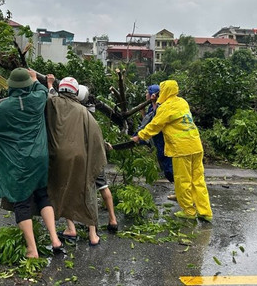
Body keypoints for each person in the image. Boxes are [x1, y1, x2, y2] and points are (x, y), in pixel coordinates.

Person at [0, 68, 62, 258]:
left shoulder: (5, 108)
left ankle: (32, 249)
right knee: (42, 195)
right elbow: (41, 90)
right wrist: (34, 78)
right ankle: (55, 239)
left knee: (21, 201)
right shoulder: (38, 99)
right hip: (40, 157)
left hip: (20, 161)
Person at [131, 80, 212, 222]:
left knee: (183, 181)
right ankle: (205, 212)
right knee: (198, 180)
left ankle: (189, 211)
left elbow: (155, 125)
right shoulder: (182, 102)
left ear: (165, 92)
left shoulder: (166, 107)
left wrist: (140, 136)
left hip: (182, 149)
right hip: (196, 145)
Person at [46, 76, 107, 246]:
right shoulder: (83, 111)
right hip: (81, 158)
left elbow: (50, 95)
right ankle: (93, 235)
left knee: (64, 190)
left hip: (59, 157)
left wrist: (50, 84)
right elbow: (95, 137)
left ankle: (70, 229)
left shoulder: (53, 102)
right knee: (87, 191)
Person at [77, 84, 118, 232]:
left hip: (85, 158)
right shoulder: (91, 111)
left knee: (86, 190)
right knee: (103, 186)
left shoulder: (78, 113)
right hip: (97, 155)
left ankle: (89, 224)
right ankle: (113, 219)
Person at [136, 84, 175, 200]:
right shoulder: (150, 107)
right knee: (166, 168)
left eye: (147, 92)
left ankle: (183, 194)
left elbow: (156, 123)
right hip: (157, 141)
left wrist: (139, 137)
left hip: (165, 142)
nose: (145, 95)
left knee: (170, 169)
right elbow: (147, 123)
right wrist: (143, 112)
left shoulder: (162, 107)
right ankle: (181, 192)